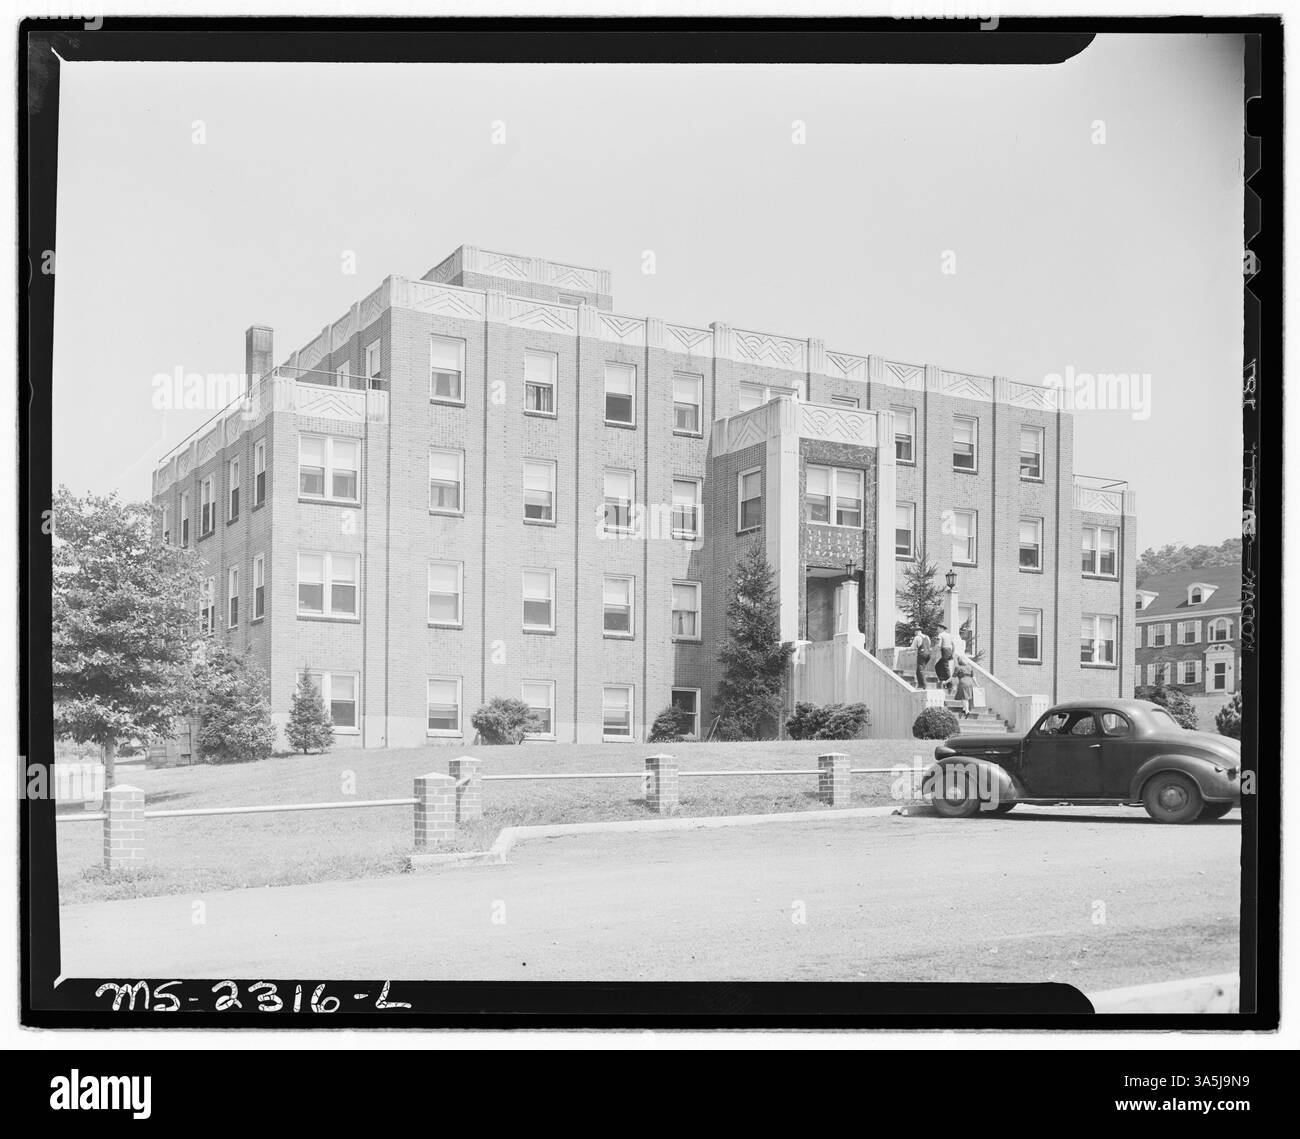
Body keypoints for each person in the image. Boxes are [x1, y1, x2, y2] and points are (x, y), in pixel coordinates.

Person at [933, 623, 958, 694]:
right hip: (949, 651)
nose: (937, 630)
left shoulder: (940, 635)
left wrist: (934, 648)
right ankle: (943, 681)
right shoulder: (949, 635)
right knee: (939, 666)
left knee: (945, 668)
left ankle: (949, 685)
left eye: (938, 628)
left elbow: (939, 645)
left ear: (941, 628)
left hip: (945, 651)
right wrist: (952, 654)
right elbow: (953, 645)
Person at [952, 653, 976, 718]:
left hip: (963, 683)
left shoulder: (958, 667)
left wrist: (945, 682)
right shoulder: (970, 667)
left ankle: (967, 711)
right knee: (966, 697)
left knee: (964, 697)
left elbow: (953, 677)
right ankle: (964, 709)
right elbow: (973, 677)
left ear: (959, 660)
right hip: (970, 683)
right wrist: (977, 685)